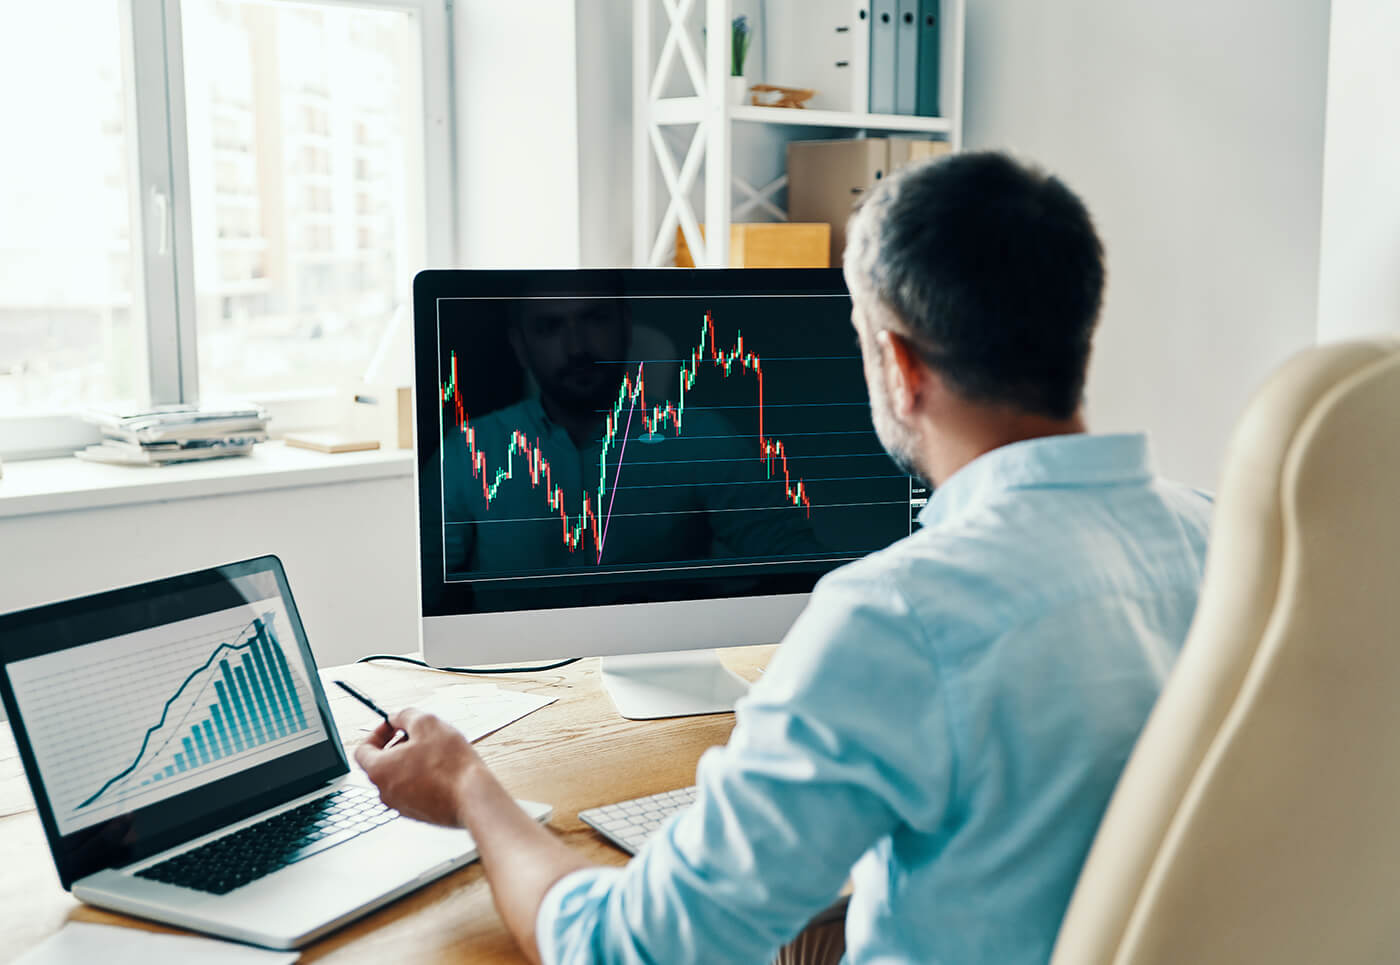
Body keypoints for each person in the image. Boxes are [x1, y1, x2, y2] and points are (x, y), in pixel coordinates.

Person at [355, 152, 1212, 965]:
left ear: (898, 362)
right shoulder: (1222, 543)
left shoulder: (894, 617)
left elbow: (626, 949)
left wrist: (468, 784)